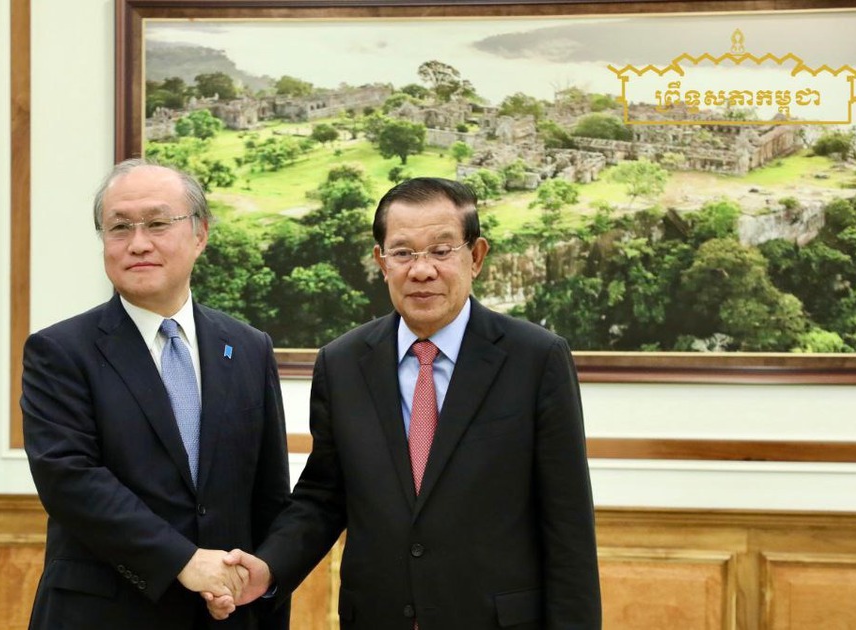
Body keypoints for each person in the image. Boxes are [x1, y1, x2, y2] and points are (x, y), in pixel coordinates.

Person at [212, 177, 601, 628]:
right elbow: (323, 496)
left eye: (441, 250)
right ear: (382, 262)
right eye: (403, 253)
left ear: (475, 257)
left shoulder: (535, 358)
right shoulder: (342, 363)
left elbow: (568, 525)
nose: (421, 270)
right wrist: (269, 567)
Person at [22, 159, 291, 629]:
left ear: (200, 234)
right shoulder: (59, 351)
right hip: (103, 614)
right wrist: (184, 561)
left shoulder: (248, 347)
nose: (138, 243)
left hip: (225, 615)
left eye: (158, 223)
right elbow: (71, 481)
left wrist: (259, 594)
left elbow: (268, 496)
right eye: (119, 227)